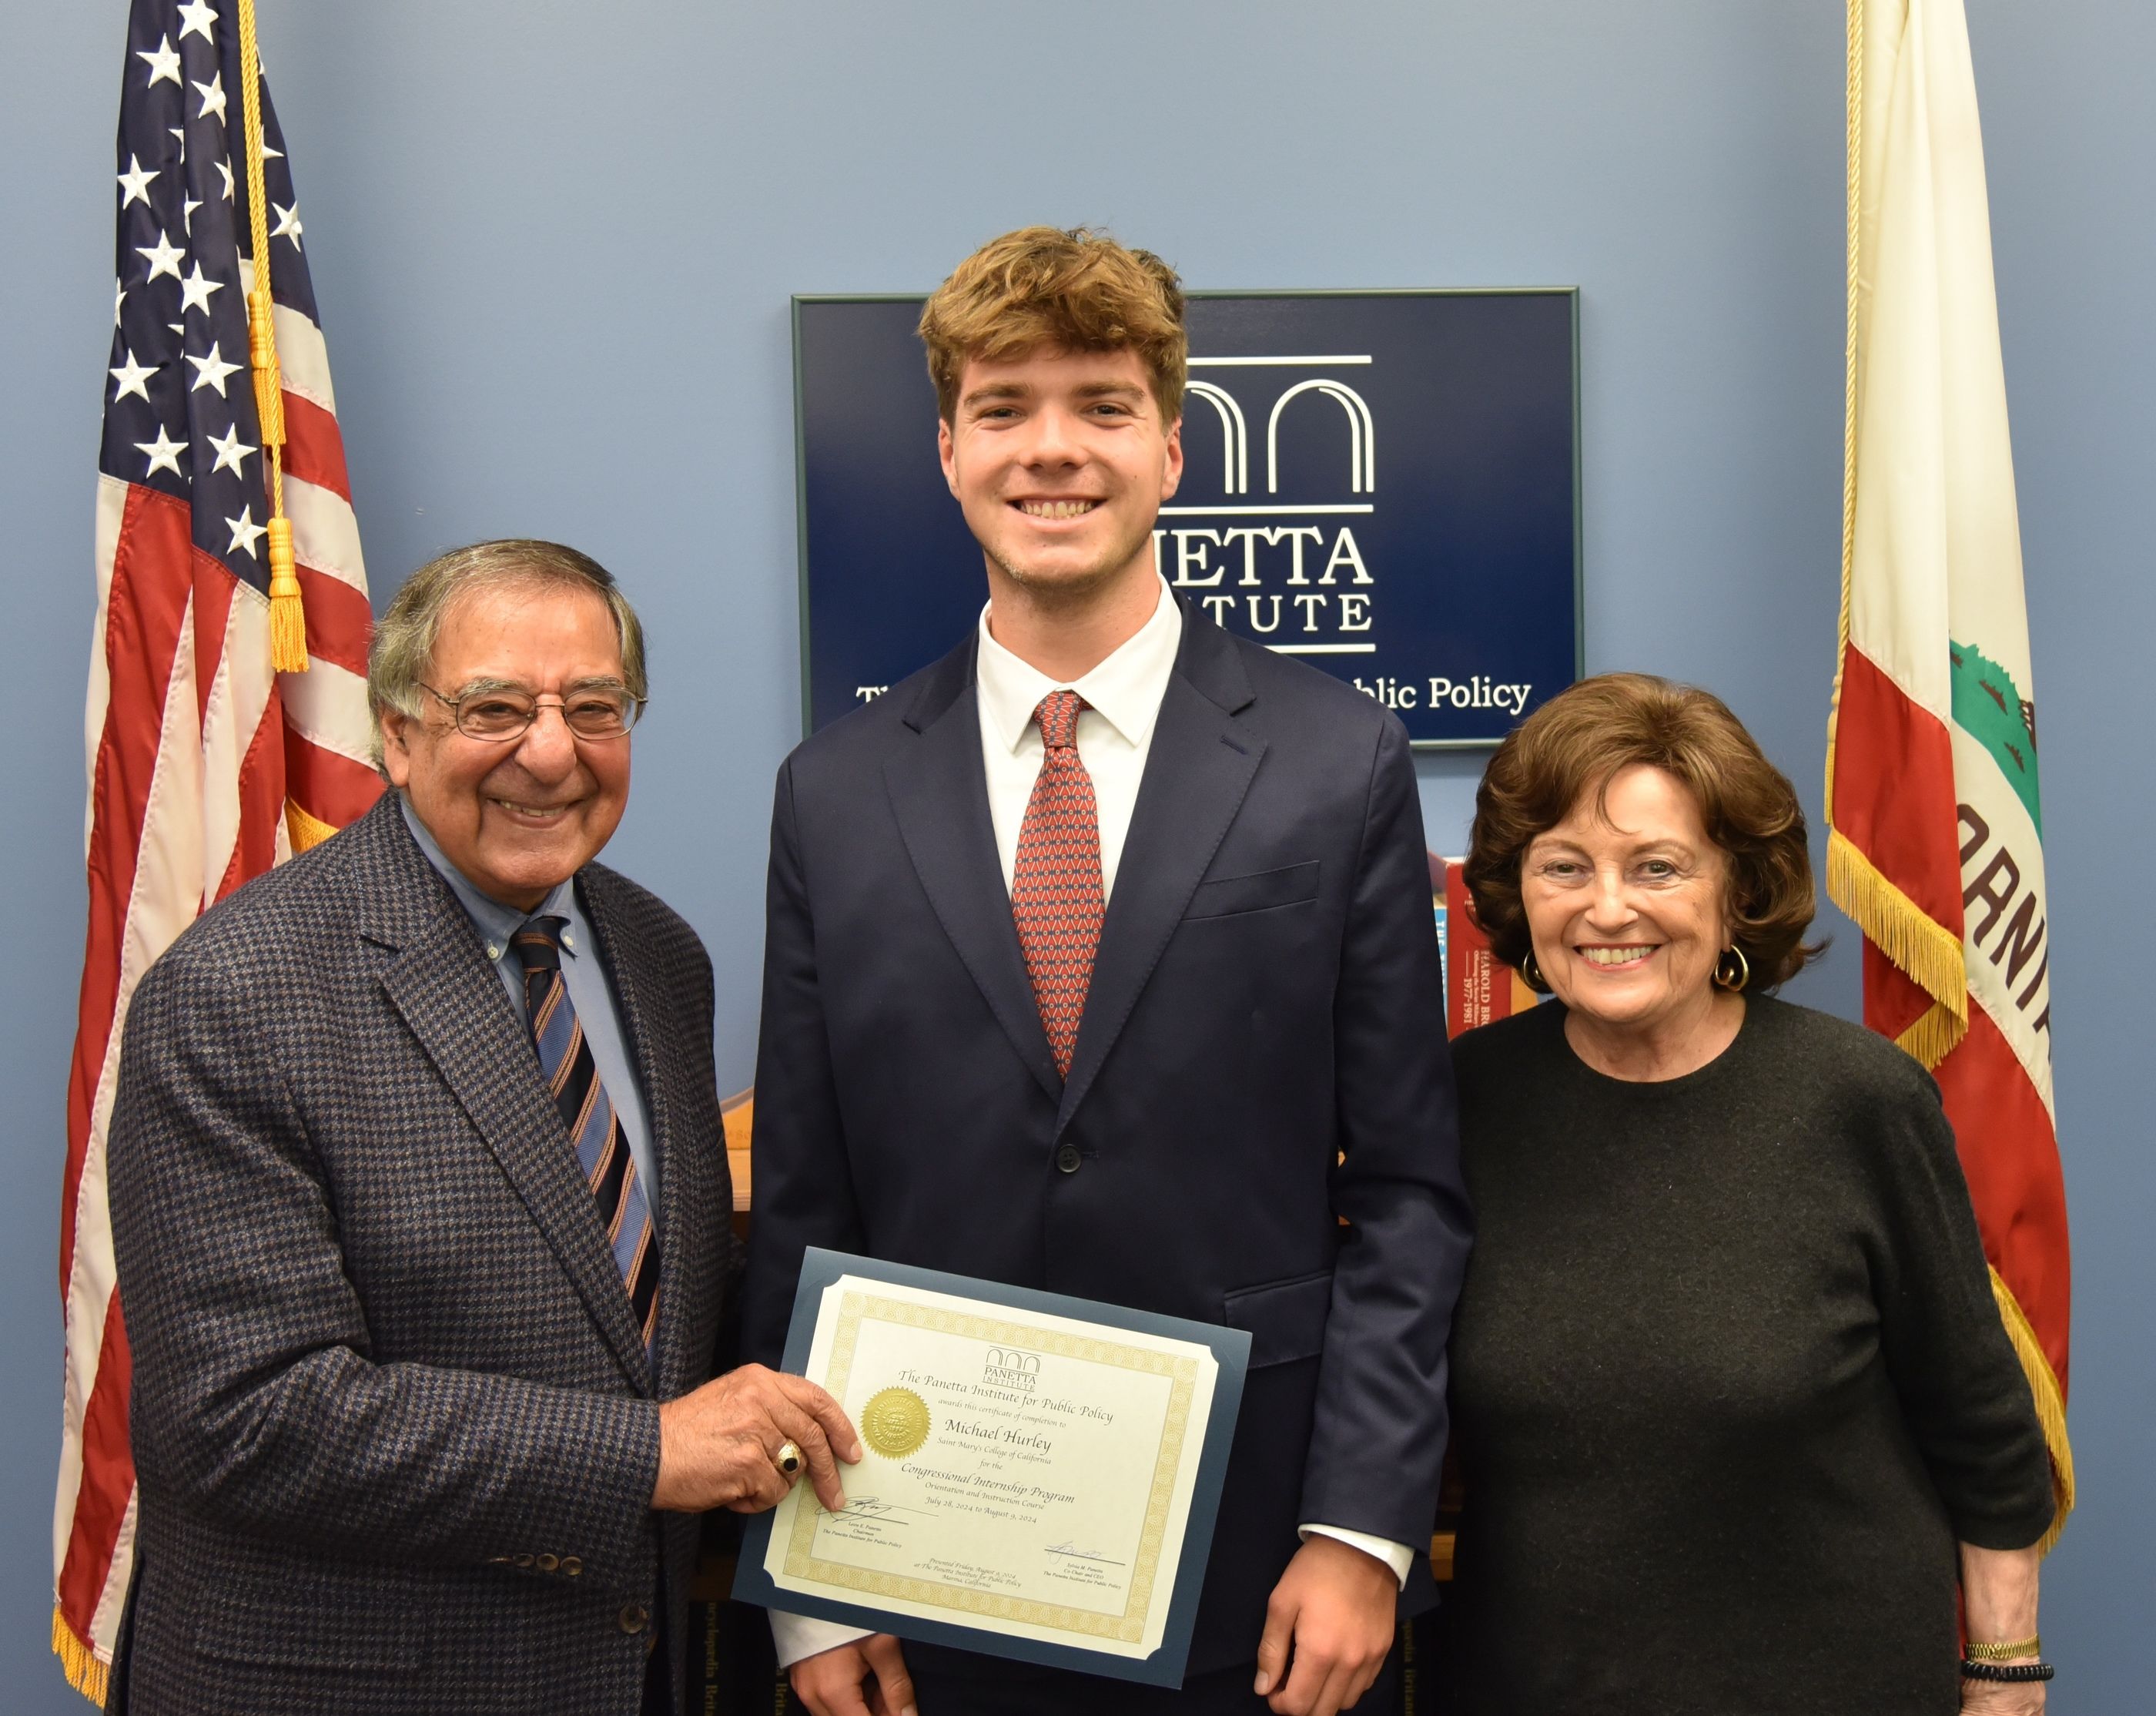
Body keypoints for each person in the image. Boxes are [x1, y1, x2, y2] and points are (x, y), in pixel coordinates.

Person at [744, 226, 1471, 1716]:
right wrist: (804, 1579)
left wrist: (1360, 1530)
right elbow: (809, 1205)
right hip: (915, 1561)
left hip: (1261, 1579)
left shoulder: (1340, 763)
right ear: (948, 451)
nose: (1053, 451)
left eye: (1102, 404)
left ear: (1175, 447)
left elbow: (1408, 1190)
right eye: (1005, 410)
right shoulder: (832, 789)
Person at [105, 541, 862, 1716]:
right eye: (493, 708)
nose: (549, 752)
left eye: (594, 708)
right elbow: (244, 1417)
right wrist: (648, 1456)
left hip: (630, 1670)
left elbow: (654, 1314)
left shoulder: (662, 959)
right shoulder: (235, 992)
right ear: (397, 734)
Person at [1438, 672, 2057, 1714]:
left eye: (1657, 866)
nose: (1607, 907)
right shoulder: (1463, 1100)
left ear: (1737, 888)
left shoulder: (1857, 1100)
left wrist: (2003, 1675)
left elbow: (1982, 1423)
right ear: (1517, 891)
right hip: (1533, 1684)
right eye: (1564, 867)